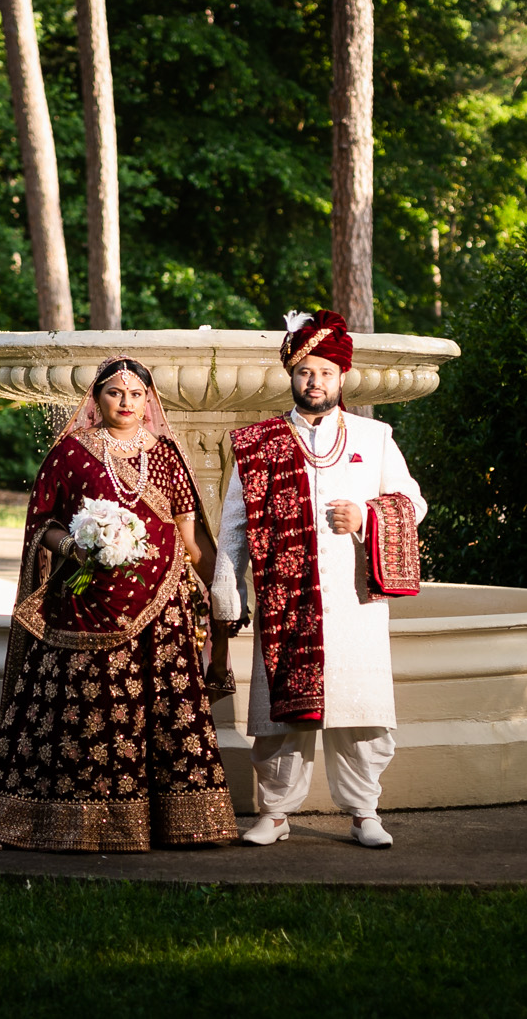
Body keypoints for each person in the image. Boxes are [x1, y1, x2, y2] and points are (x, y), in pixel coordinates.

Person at [0, 356, 238, 852]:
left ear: (149, 401)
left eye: (136, 394)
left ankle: (178, 823)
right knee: (77, 711)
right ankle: (51, 821)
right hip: (86, 601)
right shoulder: (70, 453)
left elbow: (188, 534)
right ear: (96, 399)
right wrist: (75, 547)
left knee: (166, 712)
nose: (127, 403)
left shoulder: (167, 455)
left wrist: (218, 587)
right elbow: (42, 527)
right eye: (115, 393)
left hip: (163, 606)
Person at [212, 309, 427, 850]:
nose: (316, 381)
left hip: (355, 601)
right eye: (306, 370)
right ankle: (277, 812)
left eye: (326, 372)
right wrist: (225, 584)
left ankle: (364, 811)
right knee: (280, 713)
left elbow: (413, 502)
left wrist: (366, 517)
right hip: (286, 600)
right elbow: (234, 521)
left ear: (341, 378)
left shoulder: (374, 437)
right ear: (291, 373)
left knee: (361, 710)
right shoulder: (257, 443)